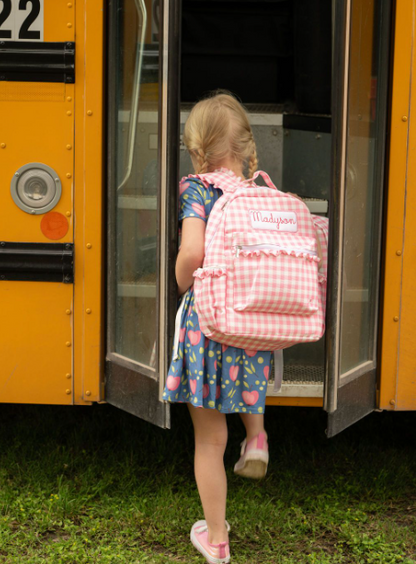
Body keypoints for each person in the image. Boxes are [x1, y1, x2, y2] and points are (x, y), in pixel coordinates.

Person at [162, 92, 272, 564]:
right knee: (246, 388)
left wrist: (181, 282)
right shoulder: (259, 190)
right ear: (246, 147)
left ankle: (217, 540)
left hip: (209, 323)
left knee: (209, 440)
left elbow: (191, 253)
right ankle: (258, 436)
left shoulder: (198, 188)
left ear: (197, 150)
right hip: (251, 322)